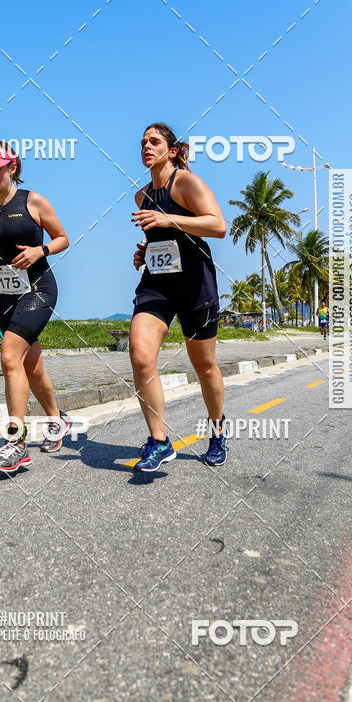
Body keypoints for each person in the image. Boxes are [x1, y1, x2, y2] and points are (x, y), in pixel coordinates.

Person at [129, 122, 227, 472]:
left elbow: (217, 225)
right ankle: (159, 441)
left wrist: (168, 219)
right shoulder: (142, 196)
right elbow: (160, 239)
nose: (146, 147)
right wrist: (144, 252)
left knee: (204, 366)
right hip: (156, 284)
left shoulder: (185, 182)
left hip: (194, 285)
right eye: (142, 142)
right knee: (140, 356)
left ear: (171, 152)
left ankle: (217, 432)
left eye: (154, 142)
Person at [0, 141, 71, 473]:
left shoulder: (33, 200)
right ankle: (57, 419)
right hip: (4, 292)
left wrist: (39, 251)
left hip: (38, 289)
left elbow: (62, 238)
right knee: (32, 365)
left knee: (9, 355)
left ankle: (16, 442)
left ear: (11, 167)